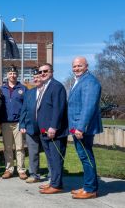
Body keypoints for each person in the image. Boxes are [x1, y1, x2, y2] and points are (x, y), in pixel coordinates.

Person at [68, 57, 102, 199]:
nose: (76, 68)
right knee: (85, 157)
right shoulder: (80, 81)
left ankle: (90, 189)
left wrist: (81, 128)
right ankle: (88, 185)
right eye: (74, 66)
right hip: (77, 126)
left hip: (82, 129)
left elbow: (88, 107)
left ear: (86, 66)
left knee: (86, 157)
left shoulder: (90, 82)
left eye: (79, 66)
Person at [36, 63, 68, 194]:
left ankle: (56, 185)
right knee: (50, 159)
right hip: (44, 131)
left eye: (45, 71)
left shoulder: (57, 86)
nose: (42, 73)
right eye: (40, 71)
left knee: (56, 159)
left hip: (54, 132)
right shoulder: (45, 87)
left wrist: (53, 127)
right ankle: (54, 181)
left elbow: (58, 109)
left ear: (52, 72)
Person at [19, 68, 48, 183]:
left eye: (38, 77)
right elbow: (24, 110)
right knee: (33, 152)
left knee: (48, 152)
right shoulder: (29, 92)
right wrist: (22, 124)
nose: (36, 79)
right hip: (31, 127)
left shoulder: (48, 90)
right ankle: (34, 174)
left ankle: (52, 175)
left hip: (45, 128)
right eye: (34, 78)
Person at [0, 65, 28, 180]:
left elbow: (27, 106)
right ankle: (9, 169)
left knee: (20, 147)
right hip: (6, 122)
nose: (12, 75)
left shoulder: (23, 88)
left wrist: (24, 122)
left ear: (17, 75)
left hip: (19, 123)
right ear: (7, 75)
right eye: (10, 73)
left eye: (14, 73)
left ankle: (21, 170)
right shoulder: (2, 89)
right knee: (7, 147)